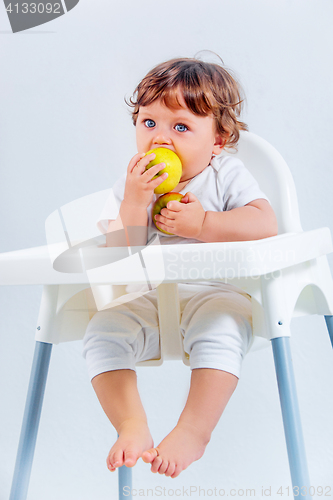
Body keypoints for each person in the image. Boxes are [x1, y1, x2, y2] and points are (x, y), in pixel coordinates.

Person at [82, 57, 278, 479]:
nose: (160, 140)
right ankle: (131, 423)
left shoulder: (225, 174)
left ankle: (194, 429)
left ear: (218, 139)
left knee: (220, 330)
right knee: (102, 330)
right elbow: (119, 250)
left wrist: (206, 223)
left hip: (216, 292)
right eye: (148, 123)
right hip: (150, 296)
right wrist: (135, 201)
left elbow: (265, 222)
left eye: (181, 127)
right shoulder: (133, 183)